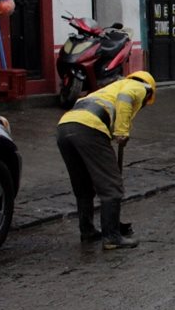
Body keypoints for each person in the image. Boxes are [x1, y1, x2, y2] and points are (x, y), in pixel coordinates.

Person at [56, 71, 156, 250]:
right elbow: (125, 99)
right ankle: (111, 236)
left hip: (65, 127)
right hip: (88, 128)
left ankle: (87, 231)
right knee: (111, 184)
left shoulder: (108, 89)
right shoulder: (141, 87)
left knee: (83, 185)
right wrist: (122, 132)